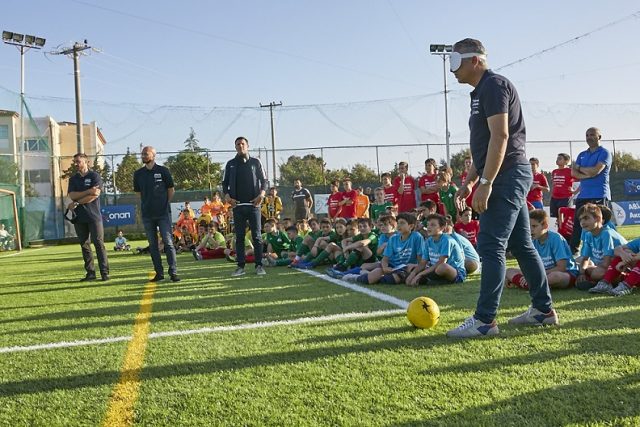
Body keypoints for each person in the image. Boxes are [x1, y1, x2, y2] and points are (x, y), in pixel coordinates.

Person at [447, 38, 556, 338]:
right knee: (521, 245)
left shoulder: (494, 85)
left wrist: (486, 183)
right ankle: (543, 311)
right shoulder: (480, 92)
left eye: (455, 62)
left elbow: (501, 136)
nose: (452, 70)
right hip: (503, 174)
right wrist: (469, 182)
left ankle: (485, 321)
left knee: (491, 244)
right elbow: (483, 146)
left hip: (507, 175)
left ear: (475, 60)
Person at [222, 136, 268, 276]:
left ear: (247, 146)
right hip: (238, 207)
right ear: (235, 147)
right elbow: (224, 184)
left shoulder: (255, 162)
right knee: (239, 237)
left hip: (254, 205)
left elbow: (264, 181)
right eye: (238, 144)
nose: (240, 146)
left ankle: (259, 265)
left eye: (243, 144)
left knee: (257, 236)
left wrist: (261, 195)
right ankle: (240, 266)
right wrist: (228, 197)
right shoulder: (230, 164)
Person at [133, 146, 180, 282]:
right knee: (153, 245)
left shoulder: (163, 171)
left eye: (146, 154)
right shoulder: (138, 174)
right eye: (142, 154)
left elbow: (171, 189)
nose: (143, 156)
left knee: (168, 242)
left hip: (163, 214)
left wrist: (163, 203)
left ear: (153, 155)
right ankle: (159, 273)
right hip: (147, 215)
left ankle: (173, 272)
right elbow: (138, 192)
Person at [506, 209, 578, 290]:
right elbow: (530, 266)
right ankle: (535, 284)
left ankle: (530, 284)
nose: (530, 230)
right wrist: (527, 274)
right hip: (543, 274)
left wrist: (537, 275)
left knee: (555, 276)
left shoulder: (556, 238)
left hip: (565, 274)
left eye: (534, 226)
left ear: (545, 225)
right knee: (509, 271)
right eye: (528, 227)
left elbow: (562, 268)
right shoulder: (532, 241)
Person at [67, 153, 110, 282]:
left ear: (86, 162)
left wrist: (78, 202)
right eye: (75, 162)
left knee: (98, 243)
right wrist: (88, 191)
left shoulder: (94, 176)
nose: (76, 164)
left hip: (94, 216)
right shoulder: (73, 179)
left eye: (78, 161)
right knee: (85, 245)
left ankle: (104, 273)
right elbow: (72, 195)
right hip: (79, 217)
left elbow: (95, 195)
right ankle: (90, 273)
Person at [569, 127, 612, 254]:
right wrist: (588, 173)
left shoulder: (605, 153)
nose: (589, 137)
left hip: (600, 194)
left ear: (599, 137)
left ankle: (606, 251)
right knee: (578, 224)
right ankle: (573, 252)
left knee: (601, 224)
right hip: (583, 195)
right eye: (587, 135)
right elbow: (573, 173)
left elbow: (595, 171)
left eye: (592, 134)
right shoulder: (582, 154)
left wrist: (581, 169)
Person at [575, 203, 627, 290]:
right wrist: (582, 273)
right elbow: (585, 259)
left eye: (586, 218)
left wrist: (589, 271)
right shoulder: (588, 235)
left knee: (596, 273)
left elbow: (606, 263)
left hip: (623, 266)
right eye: (580, 219)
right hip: (603, 266)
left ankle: (622, 278)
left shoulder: (606, 233)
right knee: (580, 266)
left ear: (598, 218)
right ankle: (597, 281)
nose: (582, 222)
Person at [406, 214, 466, 287]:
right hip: (435, 269)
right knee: (411, 268)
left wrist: (420, 274)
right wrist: (413, 274)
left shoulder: (447, 240)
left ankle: (431, 280)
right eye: (427, 225)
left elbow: (441, 262)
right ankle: (431, 280)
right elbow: (423, 263)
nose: (429, 227)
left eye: (433, 225)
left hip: (455, 272)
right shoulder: (428, 241)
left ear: (442, 227)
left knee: (442, 267)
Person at [550, 153, 575, 218]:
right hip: (554, 198)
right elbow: (553, 183)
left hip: (565, 198)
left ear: (566, 161)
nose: (557, 160)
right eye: (557, 158)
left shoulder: (570, 171)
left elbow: (581, 180)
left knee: (565, 217)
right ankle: (559, 225)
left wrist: (574, 191)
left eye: (560, 158)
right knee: (557, 218)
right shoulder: (554, 171)